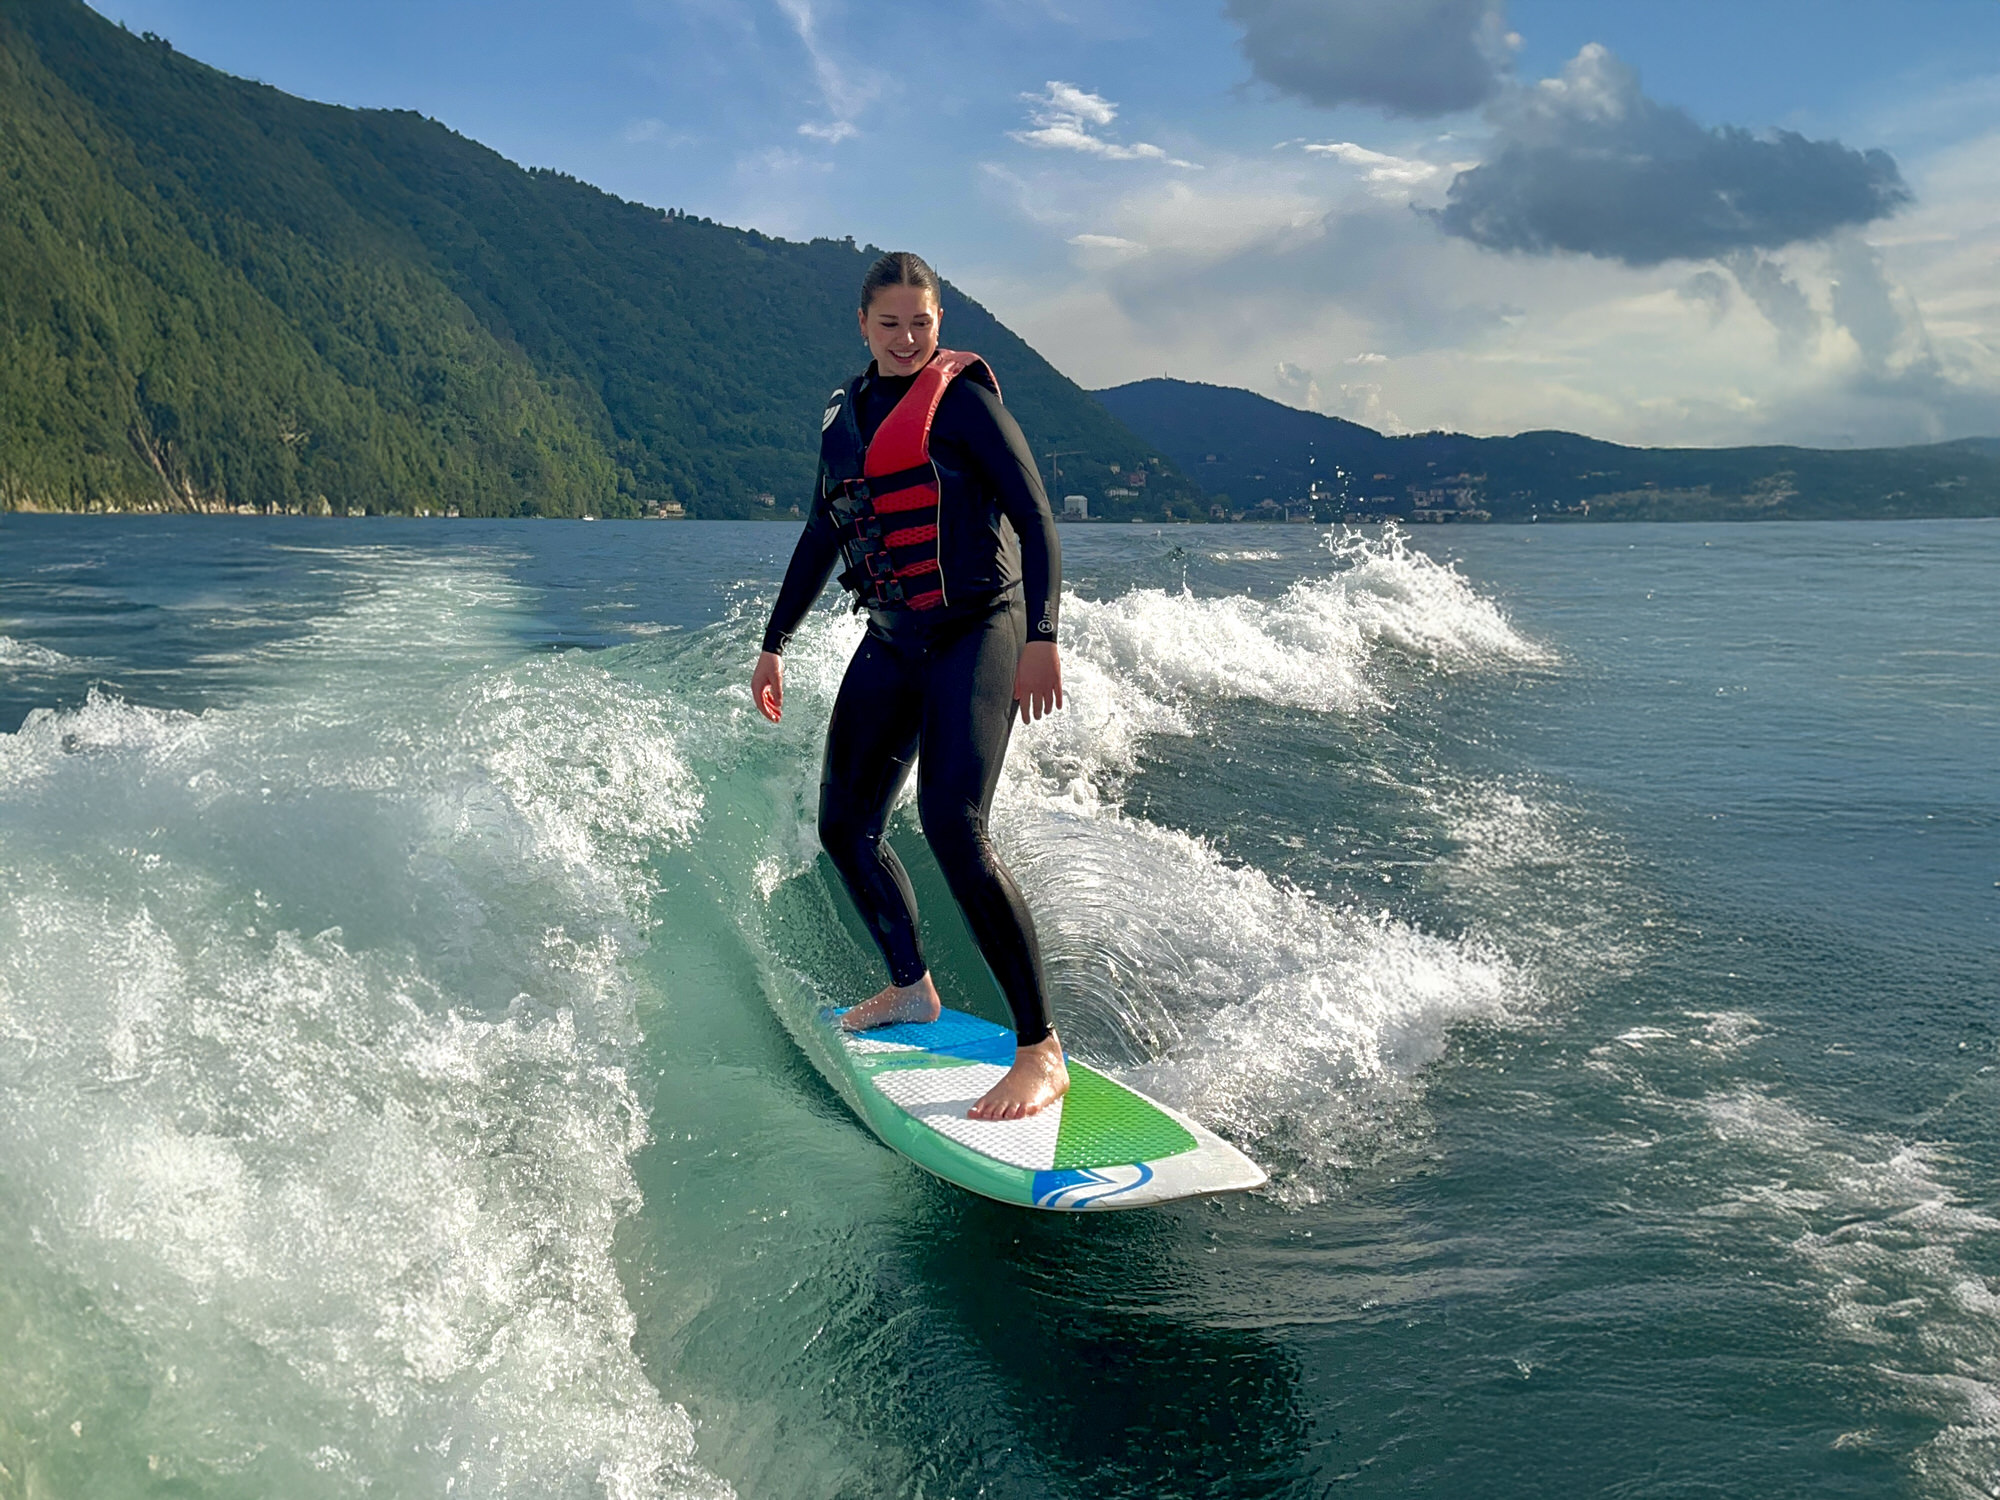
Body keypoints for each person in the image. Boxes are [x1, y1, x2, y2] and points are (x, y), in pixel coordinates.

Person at [750, 251, 1068, 1121]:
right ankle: (910, 988)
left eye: (921, 324)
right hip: (894, 637)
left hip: (980, 629)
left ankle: (1040, 1049)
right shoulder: (843, 417)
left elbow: (1036, 517)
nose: (905, 339)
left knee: (951, 825)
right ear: (863, 325)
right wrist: (774, 643)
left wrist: (1043, 636)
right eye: (889, 324)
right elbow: (825, 529)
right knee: (843, 822)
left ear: (940, 324)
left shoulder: (965, 403)